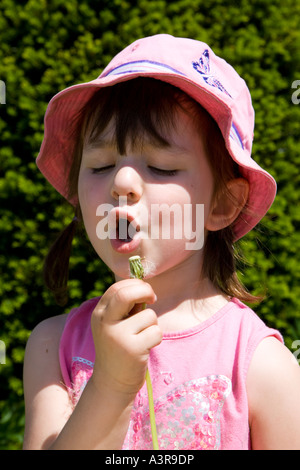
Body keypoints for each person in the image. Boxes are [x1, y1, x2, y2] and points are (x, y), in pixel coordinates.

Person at [23, 34, 300, 450]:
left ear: (222, 203)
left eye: (161, 166)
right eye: (99, 165)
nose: (122, 183)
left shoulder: (261, 366)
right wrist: (111, 387)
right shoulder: (51, 347)